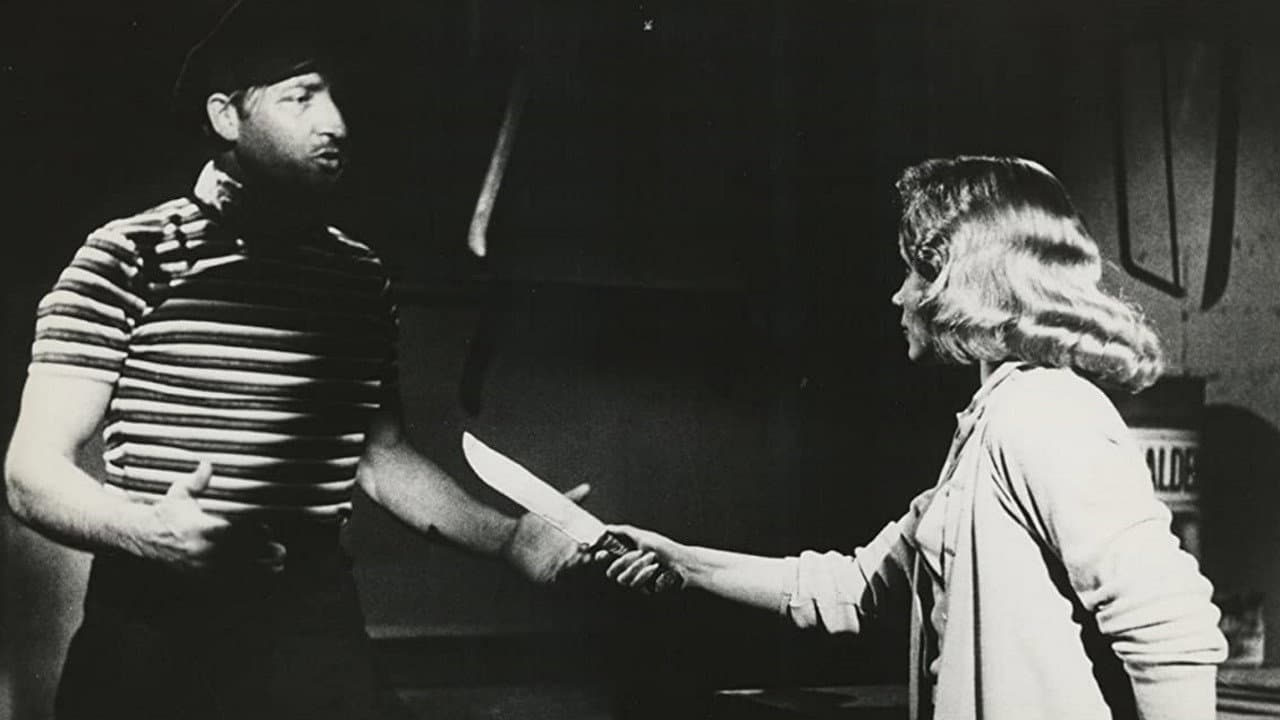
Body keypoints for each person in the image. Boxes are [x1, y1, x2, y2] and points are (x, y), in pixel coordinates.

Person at [3, 2, 594, 718]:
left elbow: (380, 459)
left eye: (336, 96)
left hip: (312, 634)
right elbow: (30, 474)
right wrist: (148, 532)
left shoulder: (356, 277)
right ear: (227, 116)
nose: (336, 123)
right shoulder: (127, 255)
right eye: (301, 97)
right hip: (153, 632)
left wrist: (508, 539)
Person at [604, 156, 1228, 720]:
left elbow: (1170, 627)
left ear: (960, 281)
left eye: (913, 271)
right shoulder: (989, 426)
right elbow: (851, 589)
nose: (898, 293)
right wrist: (682, 562)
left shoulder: (1042, 413)